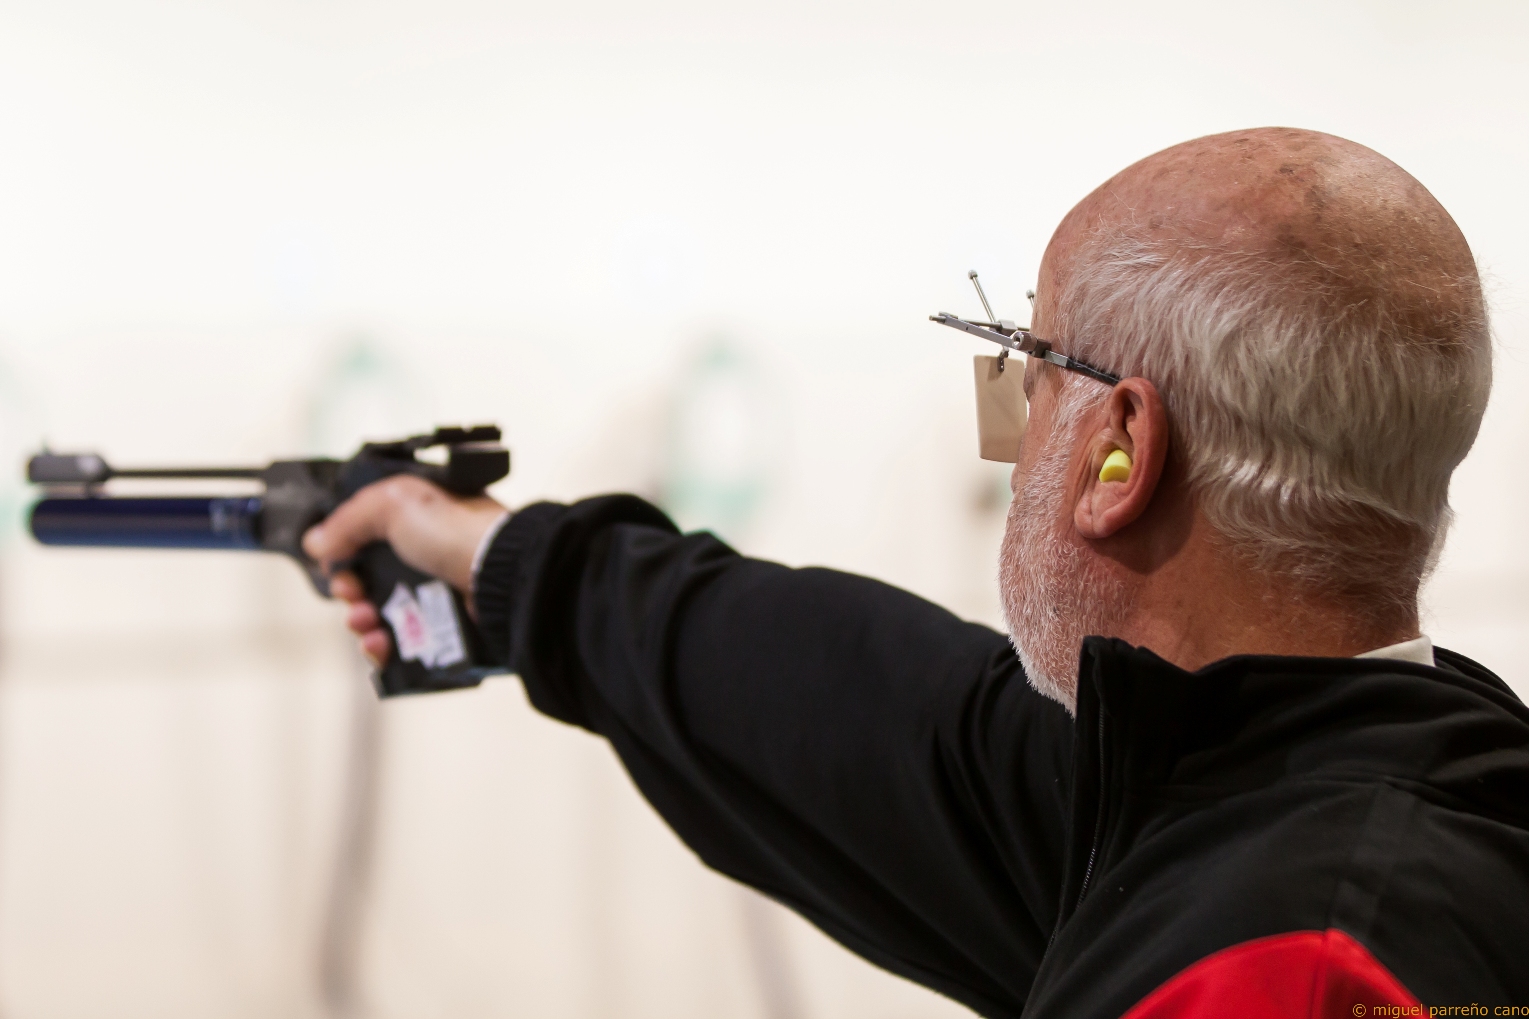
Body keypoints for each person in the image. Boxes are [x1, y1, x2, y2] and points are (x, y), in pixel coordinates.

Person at [303, 127, 1529, 1017]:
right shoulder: (1309, 787)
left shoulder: (1288, 966)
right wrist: (502, 561)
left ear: (1117, 454)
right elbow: (849, 704)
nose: (1014, 442)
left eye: (1029, 375)